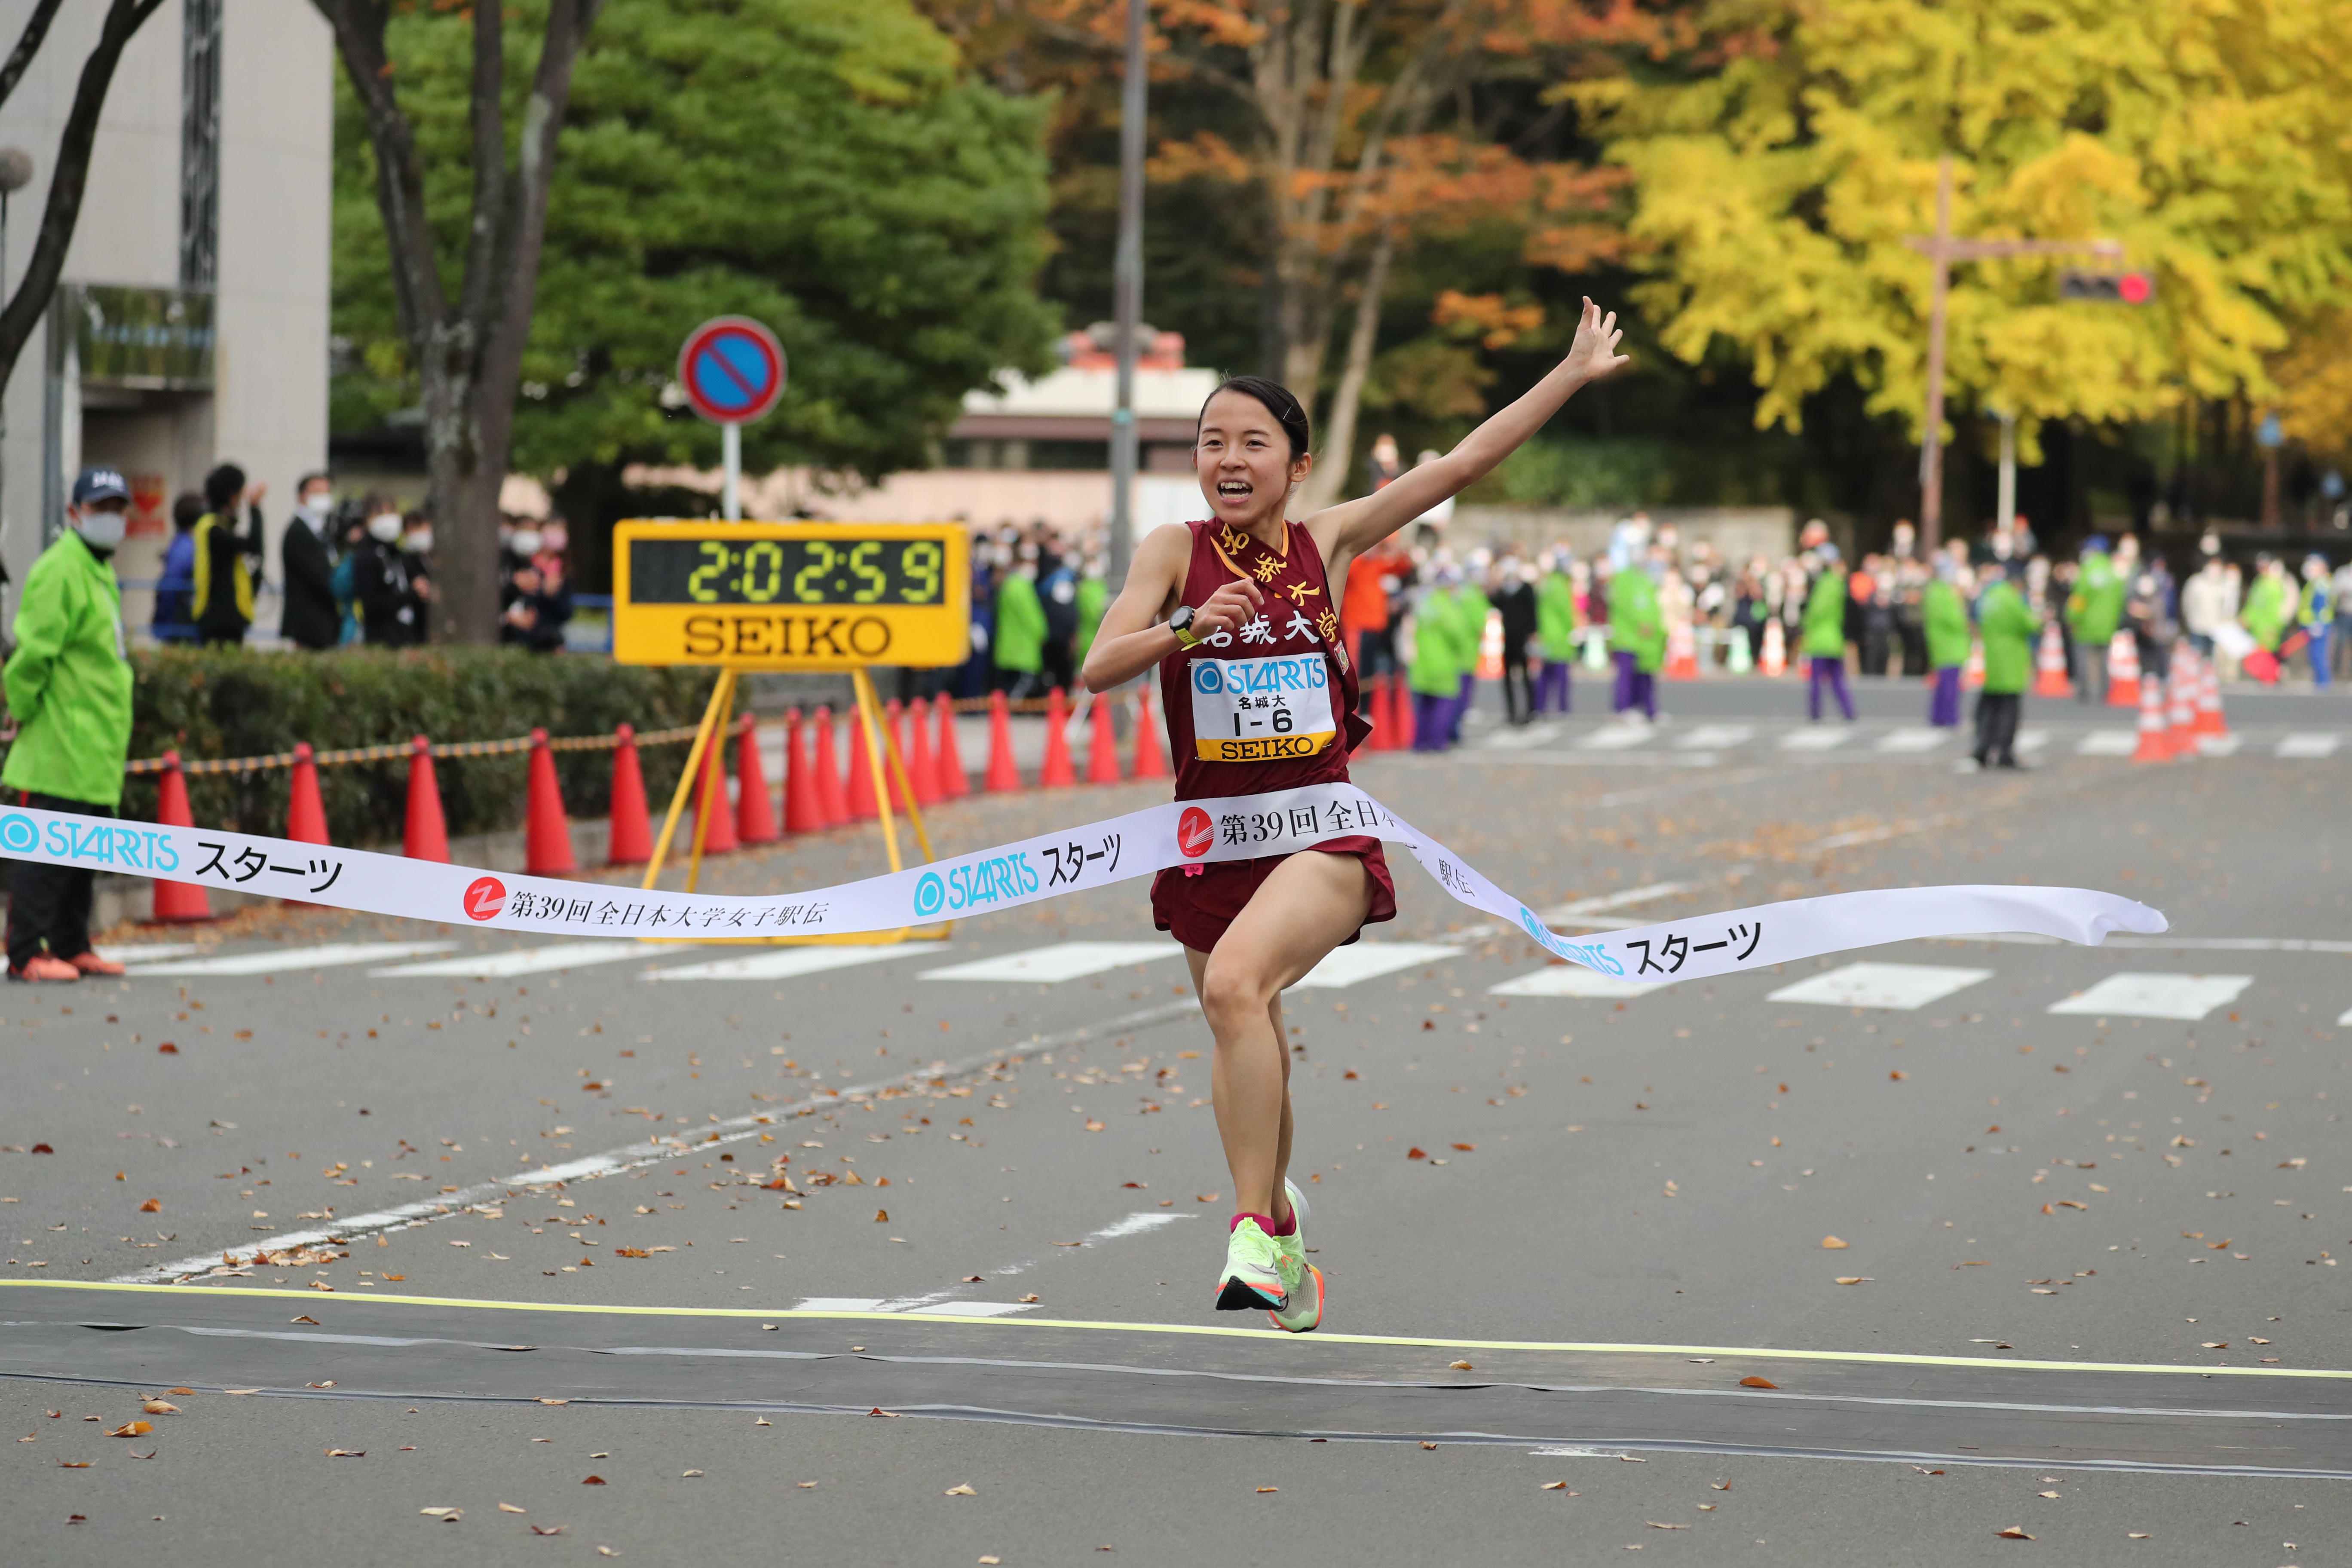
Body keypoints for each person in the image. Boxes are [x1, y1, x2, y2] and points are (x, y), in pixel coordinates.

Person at [1079, 300, 1628, 1331]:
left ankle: (1247, 1231)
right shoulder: (1172, 551)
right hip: (1209, 840)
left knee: (1238, 986)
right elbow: (1097, 664)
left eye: (1252, 443)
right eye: (1211, 443)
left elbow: (1456, 466)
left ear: (1296, 462)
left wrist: (1566, 376)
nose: (1228, 460)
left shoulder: (1326, 540)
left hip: (1318, 828)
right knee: (1243, 1019)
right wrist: (1184, 628)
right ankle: (1284, 1236)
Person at [2, 469, 136, 982]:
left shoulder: (96, 571)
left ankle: (71, 944)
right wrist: (23, 706)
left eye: (119, 509)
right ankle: (24, 954)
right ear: (74, 513)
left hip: (93, 743)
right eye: (101, 508)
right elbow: (33, 653)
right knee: (44, 852)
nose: (112, 519)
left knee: (82, 852)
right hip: (62, 739)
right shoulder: (62, 569)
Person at [1972, 563, 2039, 769]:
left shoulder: (1990, 596)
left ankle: (1982, 748)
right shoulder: (2011, 599)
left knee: (1989, 706)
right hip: (2011, 659)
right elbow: (2030, 623)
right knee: (2009, 711)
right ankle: (2004, 753)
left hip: (1992, 657)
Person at [191, 463, 265, 646]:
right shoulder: (214, 529)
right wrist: (255, 508)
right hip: (220, 618)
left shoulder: (213, 525)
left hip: (219, 616)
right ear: (233, 497)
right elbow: (254, 545)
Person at [279, 472, 341, 650]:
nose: (323, 498)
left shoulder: (321, 530)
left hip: (324, 622)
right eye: (316, 493)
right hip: (308, 624)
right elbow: (318, 577)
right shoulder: (298, 532)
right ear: (301, 496)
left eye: (326, 493)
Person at [352, 499, 424, 646]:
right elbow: (373, 604)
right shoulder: (365, 555)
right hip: (382, 640)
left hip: (407, 636)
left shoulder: (397, 554)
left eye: (391, 512)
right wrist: (411, 594)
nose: (388, 519)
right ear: (368, 521)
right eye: (381, 513)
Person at [1607, 540, 1662, 722]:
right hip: (1628, 636)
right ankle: (1623, 708)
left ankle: (1647, 709)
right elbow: (1625, 606)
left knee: (1645, 676)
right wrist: (1641, 623)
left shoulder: (1645, 578)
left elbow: (1651, 606)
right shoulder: (1623, 578)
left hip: (1646, 638)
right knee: (1626, 675)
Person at [2064, 535, 2125, 702]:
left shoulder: (2087, 572)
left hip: (2086, 625)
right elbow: (2120, 600)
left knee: (2084, 659)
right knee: (2104, 660)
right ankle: (2105, 692)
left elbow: (2078, 600)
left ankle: (2085, 692)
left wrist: (2072, 617)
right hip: (2107, 624)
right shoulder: (2113, 573)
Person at [1801, 546, 1854, 720]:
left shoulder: (1824, 584)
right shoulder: (1839, 583)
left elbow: (1817, 611)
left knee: (1816, 680)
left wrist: (1806, 623)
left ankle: (1815, 713)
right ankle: (1848, 711)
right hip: (1835, 638)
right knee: (1838, 681)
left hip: (1820, 639)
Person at [991, 545, 1046, 698]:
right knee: (1019, 686)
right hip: (1022, 647)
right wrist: (1042, 632)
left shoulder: (1009, 584)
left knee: (1008, 685)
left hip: (1008, 645)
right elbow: (1032, 618)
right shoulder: (1021, 587)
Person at [150, 492, 203, 643]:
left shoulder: (180, 544)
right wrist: (164, 623)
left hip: (178, 625)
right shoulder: (188, 547)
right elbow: (172, 584)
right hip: (181, 627)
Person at [1923, 558, 1969, 727]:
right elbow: (1955, 620)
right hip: (1950, 643)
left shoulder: (1933, 591)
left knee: (1943, 684)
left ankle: (1938, 716)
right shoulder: (1944, 593)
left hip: (1941, 642)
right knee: (1950, 685)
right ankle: (1950, 717)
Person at [1534, 549, 1577, 713]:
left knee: (1545, 675)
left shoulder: (1547, 583)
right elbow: (1566, 612)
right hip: (1560, 636)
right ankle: (1563, 706)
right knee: (1562, 677)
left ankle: (1540, 706)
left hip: (1546, 634)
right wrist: (1572, 628)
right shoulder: (1560, 585)